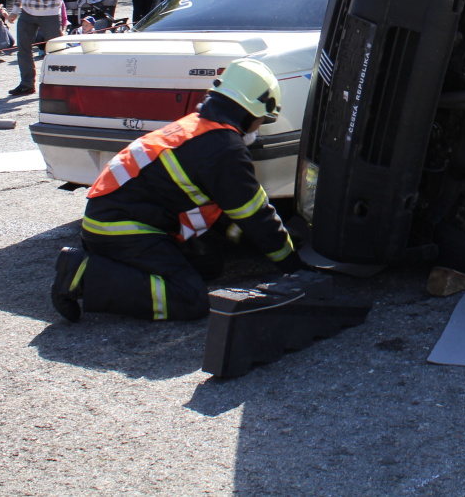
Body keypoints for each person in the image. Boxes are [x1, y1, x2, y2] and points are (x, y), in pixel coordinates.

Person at [50, 58, 302, 323]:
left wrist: (269, 241)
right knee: (190, 299)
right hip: (122, 230)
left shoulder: (198, 127)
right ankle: (84, 274)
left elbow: (225, 215)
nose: (259, 126)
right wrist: (293, 266)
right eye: (263, 118)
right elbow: (254, 215)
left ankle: (114, 268)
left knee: (209, 264)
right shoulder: (224, 148)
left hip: (112, 223)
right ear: (251, 110)